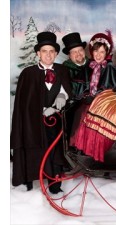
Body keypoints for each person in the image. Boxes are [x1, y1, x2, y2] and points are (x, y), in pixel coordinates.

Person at [10, 31, 72, 193]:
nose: (48, 55)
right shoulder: (28, 73)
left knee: (55, 150)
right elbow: (23, 103)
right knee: (35, 148)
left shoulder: (62, 70)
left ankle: (54, 182)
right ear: (38, 53)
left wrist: (61, 95)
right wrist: (41, 110)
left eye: (52, 51)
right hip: (34, 123)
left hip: (56, 122)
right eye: (44, 51)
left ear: (56, 53)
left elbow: (68, 91)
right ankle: (29, 180)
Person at [62, 32, 92, 99]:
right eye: (74, 52)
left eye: (80, 50)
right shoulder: (64, 70)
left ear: (84, 51)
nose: (78, 54)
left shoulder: (94, 65)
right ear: (69, 55)